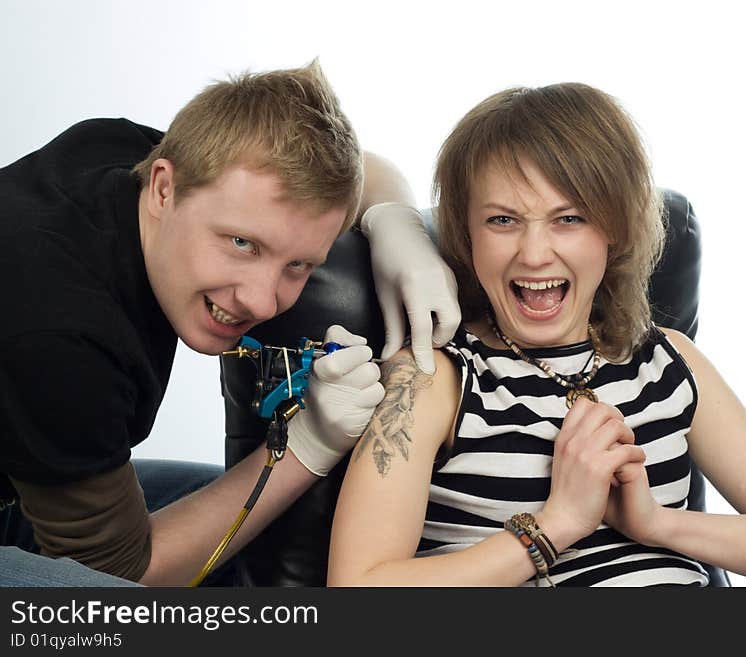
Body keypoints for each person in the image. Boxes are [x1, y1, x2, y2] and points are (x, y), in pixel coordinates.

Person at [326, 82, 746, 586]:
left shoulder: (668, 361)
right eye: (503, 221)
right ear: (467, 235)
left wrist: (655, 524)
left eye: (569, 219)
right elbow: (357, 587)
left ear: (615, 229)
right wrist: (555, 525)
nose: (534, 254)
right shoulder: (432, 379)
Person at [0, 61, 460, 586]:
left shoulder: (122, 155)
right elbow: (125, 574)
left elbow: (363, 170)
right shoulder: (59, 331)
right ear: (163, 190)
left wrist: (398, 224)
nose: (263, 303)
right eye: (243, 244)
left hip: (18, 486)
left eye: (298, 265)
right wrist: (308, 445)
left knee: (256, 533)